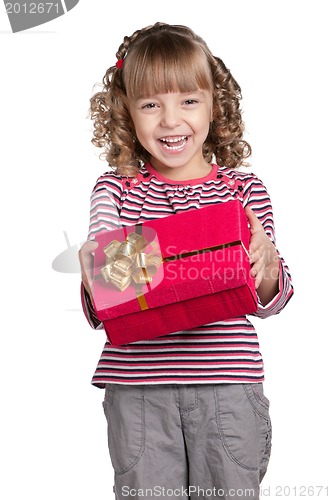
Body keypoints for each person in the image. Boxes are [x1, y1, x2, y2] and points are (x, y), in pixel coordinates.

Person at [79, 22, 294, 500]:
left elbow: (267, 298)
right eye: (151, 104)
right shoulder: (117, 189)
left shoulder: (244, 190)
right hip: (138, 391)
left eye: (188, 101)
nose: (171, 120)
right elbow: (110, 294)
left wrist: (265, 265)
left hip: (228, 386)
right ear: (127, 114)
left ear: (215, 106)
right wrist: (207, 261)